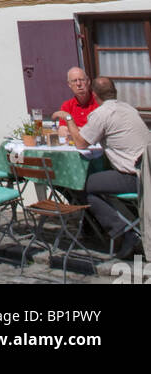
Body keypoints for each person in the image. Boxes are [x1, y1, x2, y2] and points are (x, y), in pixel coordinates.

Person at [59, 76, 149, 258]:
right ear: (115, 92)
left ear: (95, 94)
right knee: (93, 185)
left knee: (82, 184)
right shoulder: (129, 108)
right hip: (146, 171)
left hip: (135, 176)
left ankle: (124, 232)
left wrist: (68, 118)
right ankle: (122, 228)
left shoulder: (102, 113)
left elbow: (81, 143)